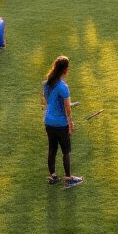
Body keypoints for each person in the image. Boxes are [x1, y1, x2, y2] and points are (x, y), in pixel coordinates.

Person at [42, 55, 82, 187]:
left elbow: (50, 102)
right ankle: (69, 179)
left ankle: (53, 176)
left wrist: (68, 104)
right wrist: (70, 123)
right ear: (64, 70)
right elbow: (67, 109)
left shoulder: (47, 83)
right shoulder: (63, 87)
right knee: (66, 151)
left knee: (52, 149)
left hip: (49, 121)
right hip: (60, 124)